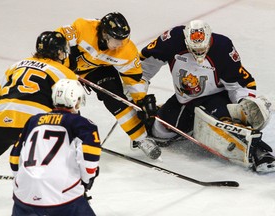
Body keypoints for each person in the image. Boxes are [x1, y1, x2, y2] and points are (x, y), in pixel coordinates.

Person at [140, 19, 275, 173]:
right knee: (159, 133)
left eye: (203, 48)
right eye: (194, 49)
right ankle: (191, 123)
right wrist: (137, 91)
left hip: (215, 97)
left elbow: (239, 83)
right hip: (184, 100)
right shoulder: (172, 40)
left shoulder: (222, 47)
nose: (199, 53)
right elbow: (144, 65)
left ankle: (261, 153)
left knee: (224, 125)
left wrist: (243, 103)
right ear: (185, 40)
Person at [56, 12, 161, 159]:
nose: (121, 44)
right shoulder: (83, 27)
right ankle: (65, 136)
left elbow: (134, 78)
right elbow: (56, 41)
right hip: (66, 69)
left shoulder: (126, 50)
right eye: (117, 40)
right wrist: (66, 61)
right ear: (105, 34)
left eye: (124, 40)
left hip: (99, 70)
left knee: (116, 100)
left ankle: (142, 139)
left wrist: (141, 101)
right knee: (64, 100)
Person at [10, 78, 101, 216]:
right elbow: (90, 160)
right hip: (62, 195)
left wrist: (25, 181)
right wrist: (87, 179)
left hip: (24, 194)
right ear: (76, 100)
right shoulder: (82, 124)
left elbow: (14, 158)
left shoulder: (33, 120)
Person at [0, 31, 78, 167]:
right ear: (59, 52)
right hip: (35, 126)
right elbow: (72, 109)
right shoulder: (66, 73)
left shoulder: (16, 65)